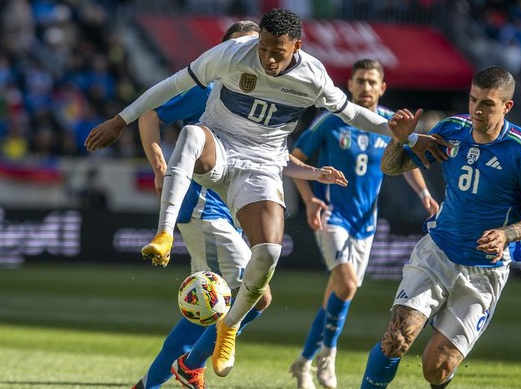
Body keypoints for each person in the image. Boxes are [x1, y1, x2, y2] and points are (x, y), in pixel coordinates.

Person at [84, 8, 445, 384]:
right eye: (261, 47)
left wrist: (409, 138)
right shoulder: (222, 67)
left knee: (259, 270)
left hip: (255, 176)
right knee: (214, 297)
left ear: (296, 48)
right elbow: (162, 99)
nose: (268, 58)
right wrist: (124, 125)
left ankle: (208, 346)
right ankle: (165, 239)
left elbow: (352, 114)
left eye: (278, 51)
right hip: (208, 200)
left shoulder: (311, 76)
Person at [131, 20, 347, 389]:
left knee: (234, 296)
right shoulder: (211, 87)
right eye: (247, 46)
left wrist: (312, 172)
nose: (257, 58)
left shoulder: (266, 95)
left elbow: (271, 157)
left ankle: (176, 371)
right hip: (203, 204)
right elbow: (151, 113)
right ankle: (179, 370)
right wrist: (160, 167)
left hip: (228, 204)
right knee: (235, 297)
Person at [359, 66, 521, 389]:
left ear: (507, 107)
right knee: (397, 336)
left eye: (488, 104)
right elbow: (392, 166)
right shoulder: (451, 130)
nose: (477, 110)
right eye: (472, 99)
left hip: (484, 270)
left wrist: (507, 234)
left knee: (436, 368)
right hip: (437, 252)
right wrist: (399, 140)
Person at [289, 59, 439, 389]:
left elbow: (405, 160)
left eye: (373, 81)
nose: (366, 87)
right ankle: (328, 355)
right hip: (332, 214)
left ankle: (303, 362)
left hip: (365, 223)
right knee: (346, 284)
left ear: (382, 87)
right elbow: (296, 158)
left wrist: (425, 195)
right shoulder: (331, 120)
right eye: (361, 81)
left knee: (338, 294)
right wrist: (309, 198)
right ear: (351, 85)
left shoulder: (390, 123)